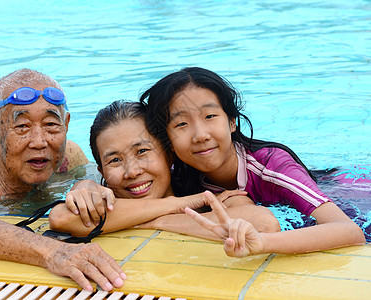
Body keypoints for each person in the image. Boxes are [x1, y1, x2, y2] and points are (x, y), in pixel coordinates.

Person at [0, 69, 126, 292]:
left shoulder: (69, 156)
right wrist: (52, 252)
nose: (39, 142)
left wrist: (87, 185)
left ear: (66, 125)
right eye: (22, 127)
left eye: (51, 124)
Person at [138, 66, 365, 255]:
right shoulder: (177, 172)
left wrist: (263, 243)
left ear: (232, 121)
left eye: (210, 116)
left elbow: (350, 231)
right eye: (181, 124)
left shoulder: (271, 167)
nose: (200, 135)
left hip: (347, 191)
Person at [49, 100, 280, 238]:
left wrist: (156, 221)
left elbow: (264, 224)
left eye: (142, 152)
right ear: (101, 170)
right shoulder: (100, 196)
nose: (132, 172)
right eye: (115, 161)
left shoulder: (205, 189)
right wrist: (176, 205)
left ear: (169, 153)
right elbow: (60, 219)